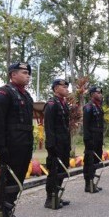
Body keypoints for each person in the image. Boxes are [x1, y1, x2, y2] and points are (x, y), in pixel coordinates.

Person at [0, 62, 33, 217]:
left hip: (24, 145)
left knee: (18, 180)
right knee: (7, 181)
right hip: (11, 146)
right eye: (24, 72)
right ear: (12, 74)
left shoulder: (26, 96)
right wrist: (1, 146)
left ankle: (9, 211)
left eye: (28, 73)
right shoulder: (3, 93)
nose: (28, 75)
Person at [44, 79, 71, 208]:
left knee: (62, 169)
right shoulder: (51, 104)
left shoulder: (64, 104)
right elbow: (48, 127)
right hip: (55, 144)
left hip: (64, 142)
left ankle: (57, 196)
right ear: (55, 89)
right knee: (54, 170)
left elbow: (66, 127)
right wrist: (51, 145)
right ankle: (50, 199)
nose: (66, 88)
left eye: (67, 86)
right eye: (63, 86)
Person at [82, 86, 104, 193]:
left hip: (98, 137)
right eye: (98, 92)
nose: (100, 94)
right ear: (91, 94)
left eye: (101, 93)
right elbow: (85, 125)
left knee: (97, 160)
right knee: (89, 161)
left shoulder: (99, 107)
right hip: (91, 137)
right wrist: (87, 139)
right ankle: (88, 184)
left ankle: (92, 182)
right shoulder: (88, 107)